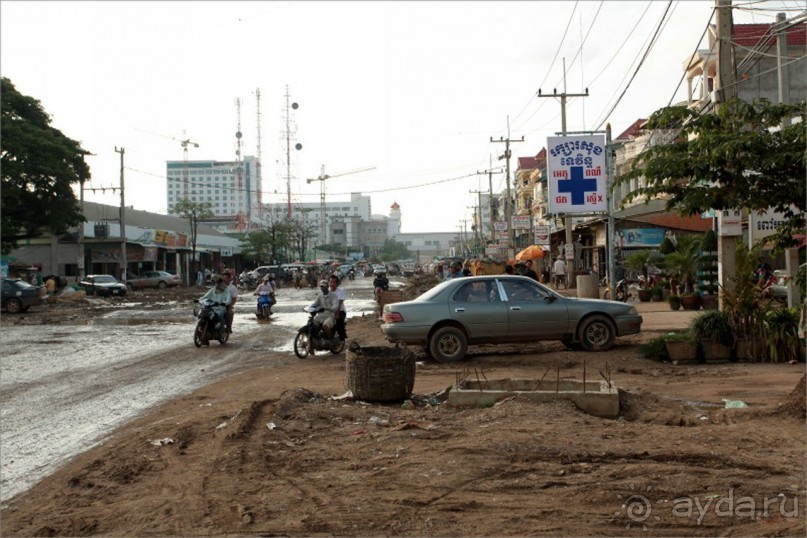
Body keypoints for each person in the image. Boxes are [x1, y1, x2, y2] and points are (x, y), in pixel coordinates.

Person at [329, 274, 347, 341]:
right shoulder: (327, 291)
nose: (332, 284)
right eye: (331, 282)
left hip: (340, 311)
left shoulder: (340, 291)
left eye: (334, 282)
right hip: (330, 311)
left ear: (337, 283)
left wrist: (337, 313)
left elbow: (339, 303)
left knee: (339, 321)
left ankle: (342, 339)